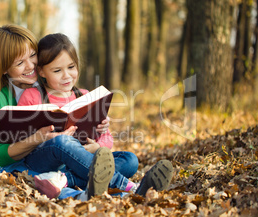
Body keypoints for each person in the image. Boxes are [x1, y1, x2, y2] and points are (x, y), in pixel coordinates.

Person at [17, 33, 173, 199]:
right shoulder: (32, 96)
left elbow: (107, 138)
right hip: (46, 160)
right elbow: (20, 139)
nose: (67, 75)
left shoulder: (84, 96)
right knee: (62, 142)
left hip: (81, 162)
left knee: (130, 159)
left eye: (71, 67)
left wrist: (98, 147)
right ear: (41, 71)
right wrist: (47, 138)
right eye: (57, 70)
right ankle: (130, 187)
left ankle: (62, 181)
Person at [0, 24, 116, 199]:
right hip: (24, 165)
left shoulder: (49, 80)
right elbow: (0, 155)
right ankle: (120, 185)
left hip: (62, 161)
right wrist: (38, 138)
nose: (31, 66)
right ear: (4, 68)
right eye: (20, 63)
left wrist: (98, 124)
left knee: (128, 161)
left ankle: (66, 180)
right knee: (61, 146)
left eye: (32, 55)